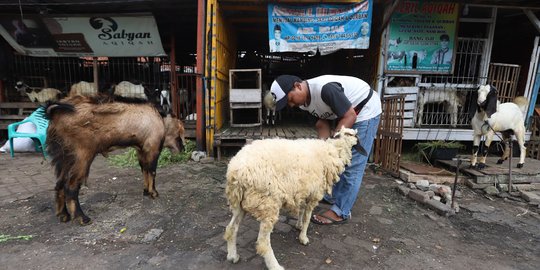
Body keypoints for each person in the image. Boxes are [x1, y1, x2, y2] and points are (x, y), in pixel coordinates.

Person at [268, 74, 381, 225]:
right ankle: (333, 196)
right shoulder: (303, 102)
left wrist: (333, 145)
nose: (291, 105)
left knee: (353, 163)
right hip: (347, 113)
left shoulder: (325, 89)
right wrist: (323, 153)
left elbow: (350, 116)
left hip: (363, 111)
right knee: (334, 160)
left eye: (290, 99)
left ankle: (341, 211)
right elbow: (322, 123)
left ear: (298, 86)